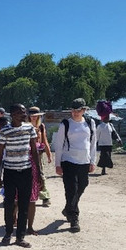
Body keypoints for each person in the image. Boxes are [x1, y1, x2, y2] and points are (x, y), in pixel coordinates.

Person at [0, 104, 40, 248]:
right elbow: (0, 154)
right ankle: (8, 233)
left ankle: (20, 237)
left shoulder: (29, 128)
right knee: (9, 204)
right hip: (10, 172)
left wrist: (38, 173)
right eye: (21, 112)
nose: (24, 114)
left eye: (24, 111)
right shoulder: (5, 131)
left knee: (24, 205)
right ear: (13, 114)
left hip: (26, 171)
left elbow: (34, 151)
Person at [54, 98, 97, 233]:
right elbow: (59, 145)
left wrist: (92, 161)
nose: (75, 113)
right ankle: (74, 218)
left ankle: (68, 208)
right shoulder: (65, 124)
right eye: (73, 110)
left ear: (84, 110)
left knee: (83, 185)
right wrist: (58, 164)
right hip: (68, 161)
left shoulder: (90, 123)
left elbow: (93, 143)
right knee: (71, 189)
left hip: (84, 161)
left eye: (78, 110)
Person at [28, 106, 53, 207]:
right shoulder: (25, 126)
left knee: (40, 174)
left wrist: (49, 154)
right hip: (27, 154)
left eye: (36, 116)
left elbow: (45, 141)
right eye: (32, 116)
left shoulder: (41, 126)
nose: (34, 117)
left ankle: (45, 196)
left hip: (38, 154)